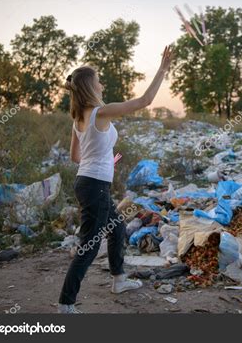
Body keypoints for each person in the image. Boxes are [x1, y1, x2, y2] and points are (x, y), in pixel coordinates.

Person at [58, 45, 174, 314]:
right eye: (98, 80)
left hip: (87, 183)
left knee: (117, 228)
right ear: (90, 87)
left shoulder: (78, 119)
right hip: (95, 187)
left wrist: (104, 159)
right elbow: (144, 101)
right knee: (89, 245)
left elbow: (77, 157)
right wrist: (163, 69)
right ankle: (66, 303)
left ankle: (119, 279)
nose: (102, 84)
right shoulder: (101, 112)